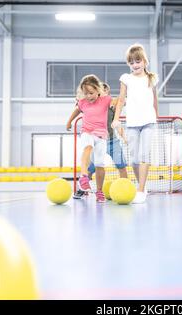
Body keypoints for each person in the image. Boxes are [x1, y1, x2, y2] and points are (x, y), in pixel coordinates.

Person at [111, 43, 158, 204]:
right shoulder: (126, 78)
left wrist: (156, 117)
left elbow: (154, 100)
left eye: (138, 61)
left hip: (148, 123)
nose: (135, 65)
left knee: (144, 155)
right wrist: (116, 119)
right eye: (131, 62)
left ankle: (141, 190)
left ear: (145, 61)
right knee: (134, 159)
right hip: (132, 123)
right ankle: (142, 186)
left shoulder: (151, 78)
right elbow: (121, 99)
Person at [72, 82, 128, 199]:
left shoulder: (112, 104)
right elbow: (80, 105)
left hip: (112, 141)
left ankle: (125, 188)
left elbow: (121, 102)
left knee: (121, 165)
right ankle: (82, 189)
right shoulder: (89, 104)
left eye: (104, 91)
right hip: (96, 140)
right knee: (91, 167)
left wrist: (124, 136)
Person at [66, 74, 110, 203]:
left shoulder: (106, 100)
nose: (89, 96)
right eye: (86, 93)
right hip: (87, 132)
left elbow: (117, 102)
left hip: (101, 135)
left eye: (91, 93)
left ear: (98, 90)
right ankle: (84, 176)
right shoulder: (82, 102)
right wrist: (69, 122)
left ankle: (100, 191)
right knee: (87, 147)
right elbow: (76, 110)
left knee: (99, 164)